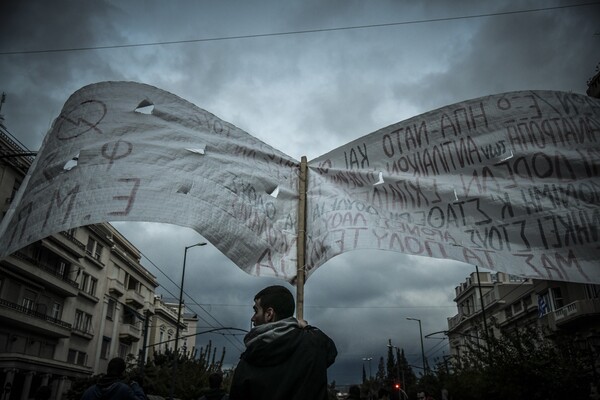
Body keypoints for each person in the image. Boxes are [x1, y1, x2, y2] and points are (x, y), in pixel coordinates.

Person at [229, 285, 337, 400]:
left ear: (269, 314)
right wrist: (306, 327)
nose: (253, 318)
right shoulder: (314, 344)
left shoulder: (249, 360)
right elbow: (330, 351)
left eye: (256, 311)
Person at [80, 357, 146, 400]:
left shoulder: (90, 391)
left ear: (107, 370)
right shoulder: (124, 390)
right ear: (122, 373)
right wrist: (135, 386)